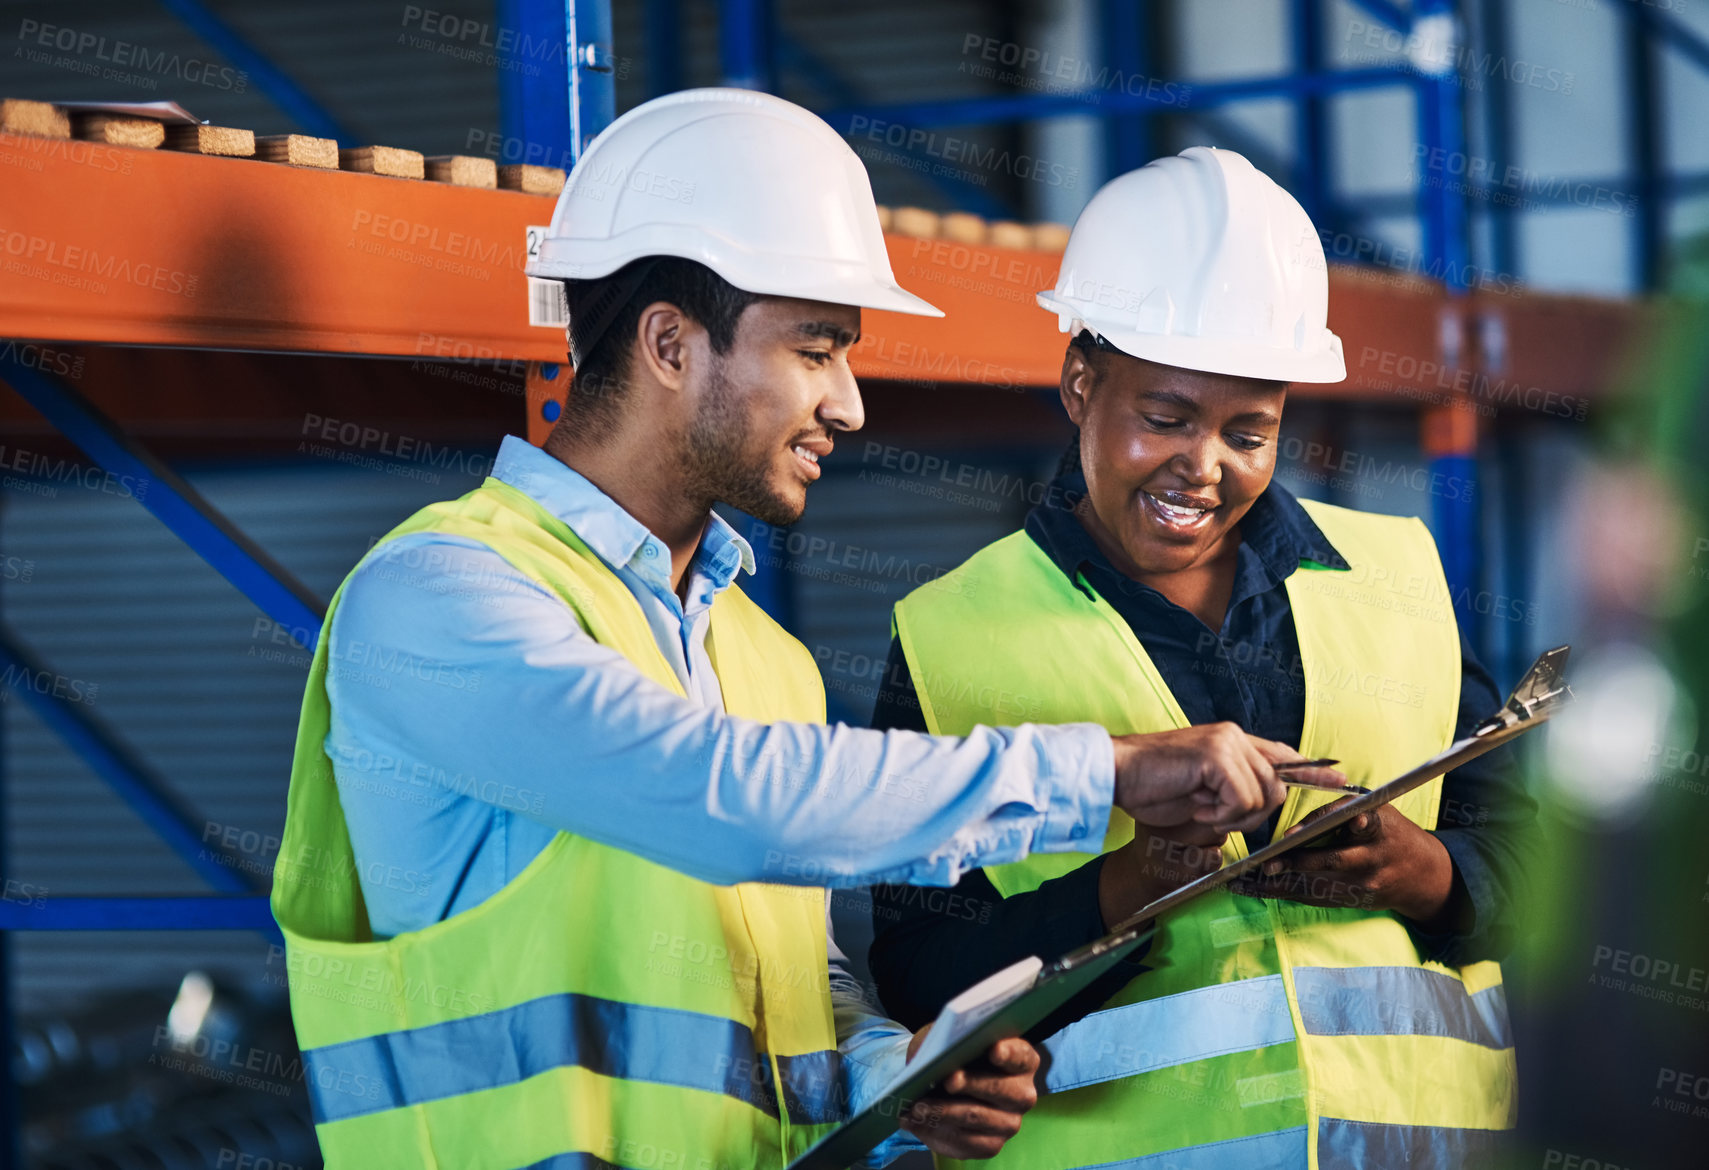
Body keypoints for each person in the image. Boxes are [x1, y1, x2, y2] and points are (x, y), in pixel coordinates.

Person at [270, 98, 1317, 1170]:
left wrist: (898, 1078)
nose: (850, 405)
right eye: (815, 350)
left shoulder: (760, 658)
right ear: (669, 343)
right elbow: (717, 797)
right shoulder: (441, 597)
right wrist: (1099, 770)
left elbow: (790, 989)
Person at [868, 147, 1538, 1169]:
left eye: (1248, 431)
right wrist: (1120, 888)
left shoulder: (1396, 577)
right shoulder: (948, 638)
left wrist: (1430, 873)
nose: (1204, 467)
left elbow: (1533, 859)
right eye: (1165, 418)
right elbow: (914, 970)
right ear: (1080, 382)